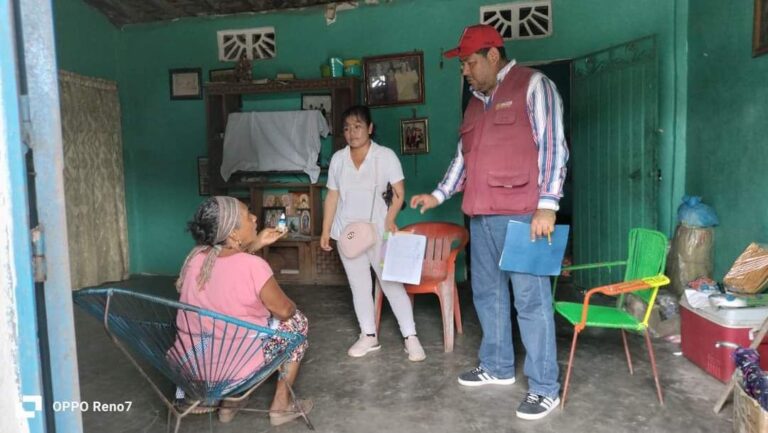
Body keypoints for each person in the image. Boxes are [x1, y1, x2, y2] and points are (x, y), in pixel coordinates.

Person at [410, 24, 568, 420]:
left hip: (524, 216)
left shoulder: (534, 86)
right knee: (488, 294)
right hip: (482, 217)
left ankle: (545, 387)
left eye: (469, 62)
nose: (464, 70)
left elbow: (554, 145)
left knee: (531, 302)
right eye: (462, 64)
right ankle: (497, 366)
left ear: (493, 56)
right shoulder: (475, 103)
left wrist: (547, 206)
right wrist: (439, 194)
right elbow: (464, 158)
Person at [174, 196, 312, 426]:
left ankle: (230, 404)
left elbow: (225, 267)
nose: (255, 217)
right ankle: (280, 405)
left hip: (194, 365)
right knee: (297, 323)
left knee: (225, 327)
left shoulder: (194, 259)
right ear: (233, 233)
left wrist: (255, 244)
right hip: (234, 365)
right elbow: (285, 311)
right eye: (248, 215)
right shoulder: (253, 266)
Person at [320, 105, 426, 362]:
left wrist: (390, 219)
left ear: (369, 128)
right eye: (347, 128)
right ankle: (368, 335)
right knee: (359, 287)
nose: (352, 132)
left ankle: (410, 337)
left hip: (378, 230)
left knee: (391, 283)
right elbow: (332, 196)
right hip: (348, 233)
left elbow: (399, 192)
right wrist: (325, 231)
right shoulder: (338, 159)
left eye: (357, 126)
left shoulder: (385, 156)